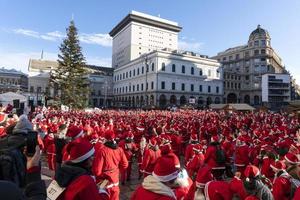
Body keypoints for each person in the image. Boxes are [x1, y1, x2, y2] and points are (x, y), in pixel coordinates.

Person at [92, 129, 128, 200]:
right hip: (115, 179)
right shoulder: (119, 149)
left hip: (104, 181)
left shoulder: (102, 151)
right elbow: (125, 164)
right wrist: (117, 171)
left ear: (105, 138)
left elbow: (97, 171)